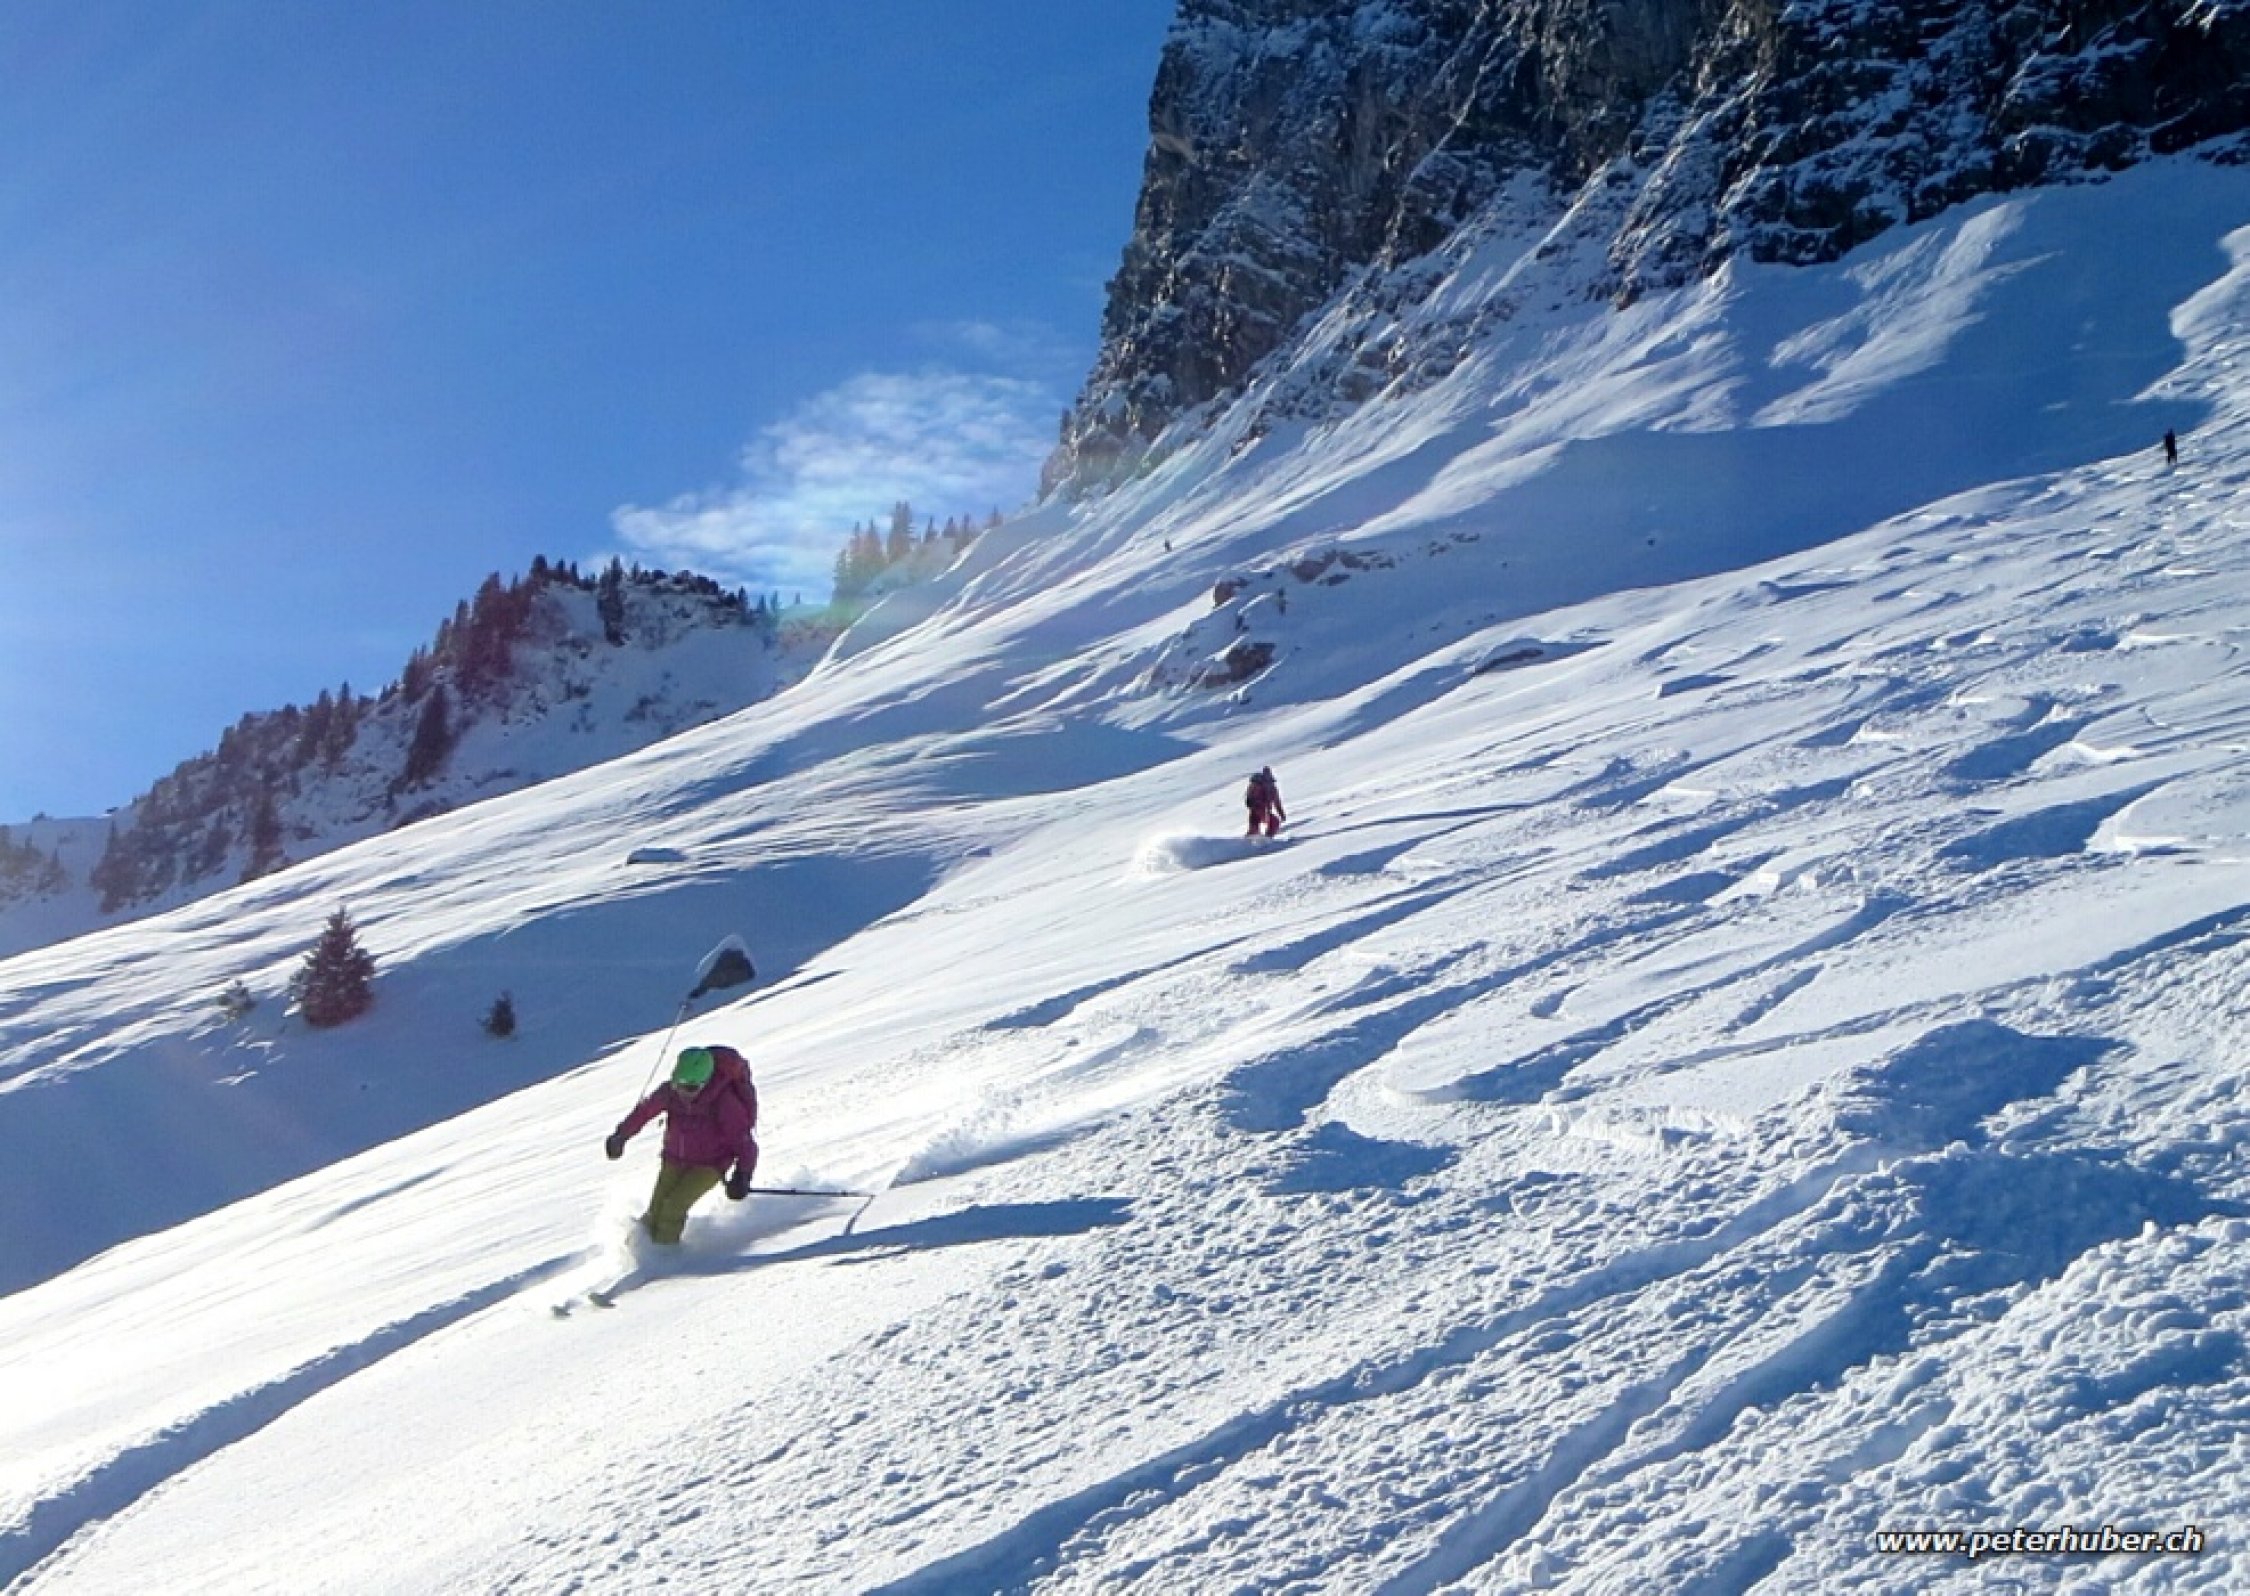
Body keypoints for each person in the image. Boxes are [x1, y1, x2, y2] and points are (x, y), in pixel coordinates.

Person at [605, 1044, 759, 1245]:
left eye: (690, 1088)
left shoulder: (724, 1103)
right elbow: (644, 1111)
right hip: (674, 1159)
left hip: (710, 1165)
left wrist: (742, 1175)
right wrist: (621, 1135)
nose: (682, 1092)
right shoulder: (670, 1092)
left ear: (705, 1083)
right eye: (678, 1084)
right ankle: (640, 1249)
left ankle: (664, 1254)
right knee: (656, 1209)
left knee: (673, 1207)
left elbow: (744, 1142)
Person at [1245, 765, 1285, 838]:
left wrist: (1281, 813)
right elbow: (1277, 802)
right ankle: (1264, 838)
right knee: (1272, 822)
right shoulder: (1259, 785)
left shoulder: (1271, 788)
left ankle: (1265, 838)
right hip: (1259, 810)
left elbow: (1277, 802)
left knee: (1272, 822)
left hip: (1260, 810)